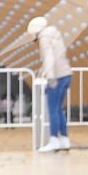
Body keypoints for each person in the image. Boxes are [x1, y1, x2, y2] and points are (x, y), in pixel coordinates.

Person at [29, 16, 73, 152]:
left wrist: (50, 78)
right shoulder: (56, 34)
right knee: (59, 109)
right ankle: (64, 139)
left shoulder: (44, 38)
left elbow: (49, 58)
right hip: (67, 75)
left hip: (57, 77)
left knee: (53, 109)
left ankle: (54, 139)